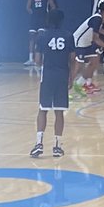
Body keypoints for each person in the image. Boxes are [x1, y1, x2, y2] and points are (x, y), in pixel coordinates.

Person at [30, 10, 74, 159]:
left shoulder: (42, 36)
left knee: (43, 109)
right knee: (59, 111)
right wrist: (71, 77)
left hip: (47, 75)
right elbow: (73, 58)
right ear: (62, 20)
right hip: (62, 75)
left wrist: (46, 65)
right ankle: (57, 146)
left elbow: (37, 60)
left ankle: (39, 143)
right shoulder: (68, 36)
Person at [71, 1, 104, 96]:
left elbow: (99, 30)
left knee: (95, 60)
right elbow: (95, 38)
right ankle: (67, 90)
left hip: (87, 42)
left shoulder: (101, 19)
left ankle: (80, 84)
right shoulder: (97, 18)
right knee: (78, 66)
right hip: (80, 42)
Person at [25, 0, 55, 65]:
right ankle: (30, 58)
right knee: (31, 38)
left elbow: (53, 5)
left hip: (43, 19)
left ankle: (41, 58)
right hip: (34, 19)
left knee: (41, 38)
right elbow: (27, 7)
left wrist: (48, 15)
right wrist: (32, 12)